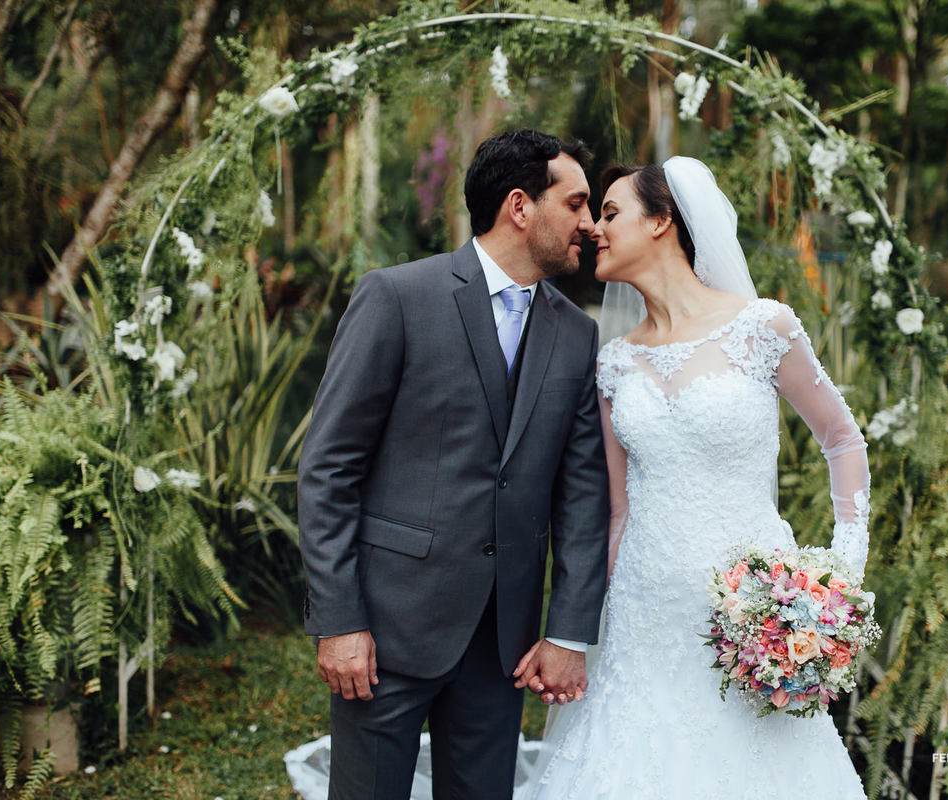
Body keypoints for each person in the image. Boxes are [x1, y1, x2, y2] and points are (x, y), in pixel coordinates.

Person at [521, 157, 872, 799]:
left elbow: (843, 440)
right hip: (642, 626)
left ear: (661, 221)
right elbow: (617, 512)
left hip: (749, 620)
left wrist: (838, 579)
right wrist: (580, 630)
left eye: (611, 213)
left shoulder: (763, 327)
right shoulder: (614, 363)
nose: (595, 228)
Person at [297, 129, 610, 800]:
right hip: (387, 629)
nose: (590, 223)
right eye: (576, 203)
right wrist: (339, 620)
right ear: (520, 206)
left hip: (502, 646)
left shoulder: (577, 334)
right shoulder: (397, 297)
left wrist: (567, 632)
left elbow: (583, 497)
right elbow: (329, 467)